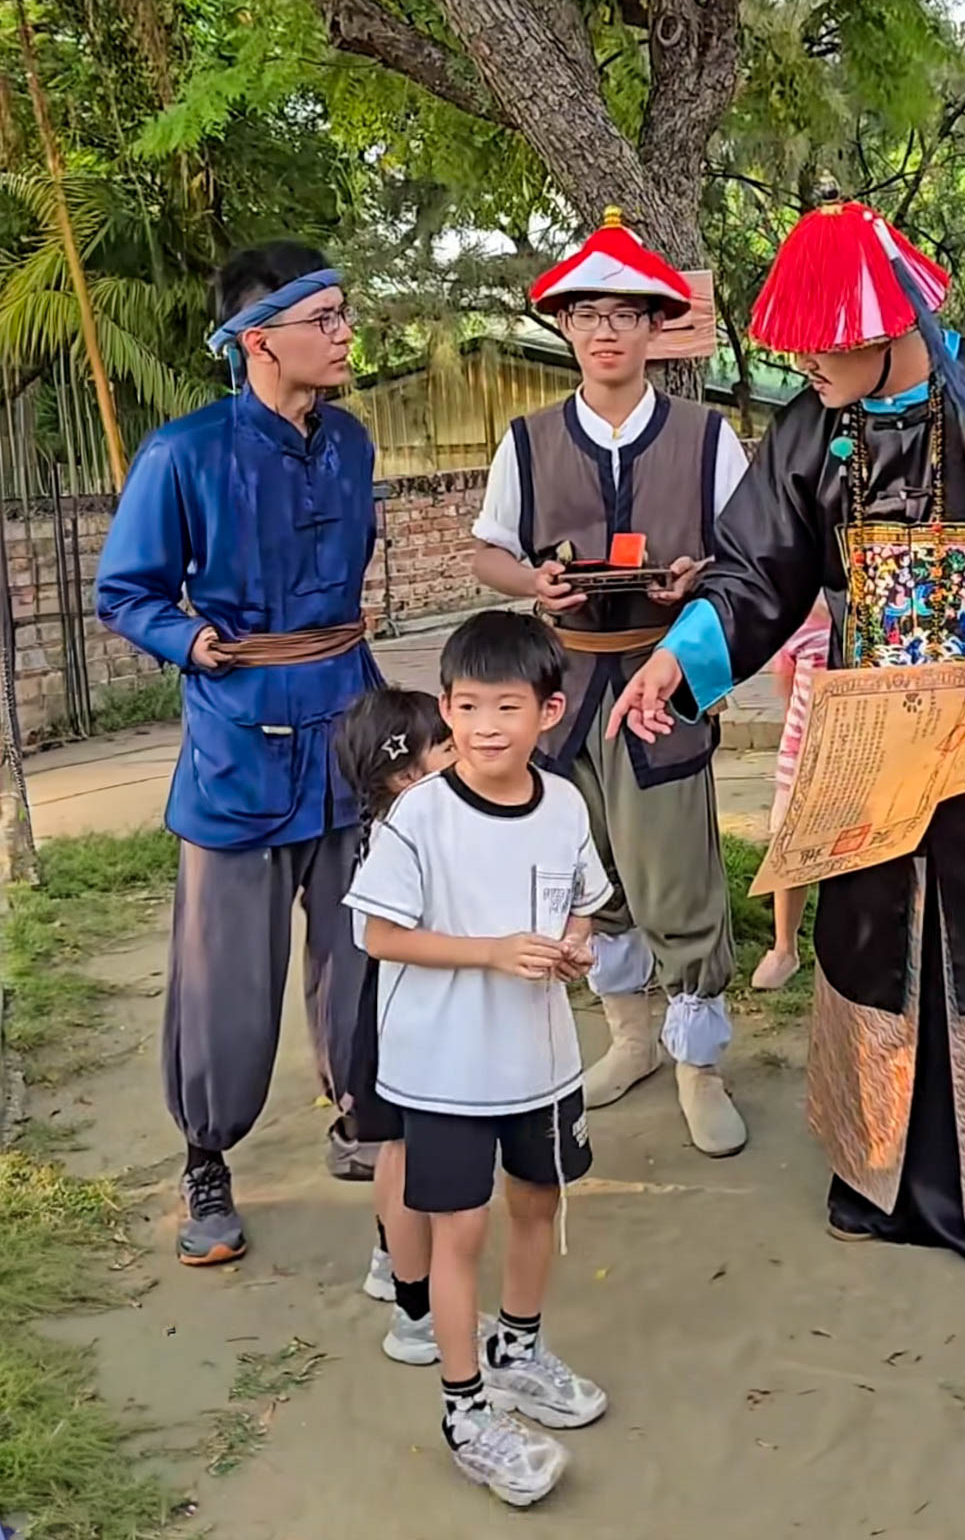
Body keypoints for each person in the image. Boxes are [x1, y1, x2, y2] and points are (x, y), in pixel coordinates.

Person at [609, 191, 965, 1281]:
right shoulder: (809, 430)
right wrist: (679, 654)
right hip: (872, 743)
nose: (804, 363)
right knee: (870, 938)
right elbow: (755, 569)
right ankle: (879, 1170)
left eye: (823, 346)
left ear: (884, 328)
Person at [96, 242, 379, 1267]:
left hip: (347, 729)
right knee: (226, 973)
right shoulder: (182, 453)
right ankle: (207, 1154)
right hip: (236, 743)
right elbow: (125, 590)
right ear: (260, 340)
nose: (346, 333)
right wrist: (192, 641)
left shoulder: (352, 444)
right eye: (327, 318)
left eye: (347, 314)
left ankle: (362, 1116)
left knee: (363, 947)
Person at [471, 208, 750, 1157]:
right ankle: (630, 1036)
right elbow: (489, 551)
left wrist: (695, 579)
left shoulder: (708, 438)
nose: (604, 330)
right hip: (564, 686)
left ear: (655, 328)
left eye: (624, 314)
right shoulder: (528, 439)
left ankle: (698, 1064)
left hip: (660, 681)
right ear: (565, 327)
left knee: (676, 874)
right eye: (586, 313)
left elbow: (747, 558)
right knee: (589, 873)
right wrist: (533, 583)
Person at [344, 611, 610, 1507]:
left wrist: (574, 942)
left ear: (551, 711)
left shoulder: (565, 803)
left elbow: (583, 903)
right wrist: (491, 951)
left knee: (538, 1202)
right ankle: (465, 1407)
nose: (486, 726)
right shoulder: (420, 816)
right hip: (445, 1066)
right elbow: (378, 933)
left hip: (540, 1060)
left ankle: (521, 1350)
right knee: (461, 1228)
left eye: (508, 706)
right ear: (447, 712)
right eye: (466, 706)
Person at [334, 687, 456, 1312]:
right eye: (448, 744)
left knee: (398, 1148)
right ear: (408, 774)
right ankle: (415, 1305)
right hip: (406, 1014)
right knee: (408, 1152)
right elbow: (377, 937)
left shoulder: (400, 821)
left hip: (397, 1006)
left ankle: (389, 1260)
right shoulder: (406, 837)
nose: (464, 750)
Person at [752, 597, 831, 990]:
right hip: (802, 755)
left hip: (859, 755)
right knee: (788, 844)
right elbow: (786, 688)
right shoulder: (803, 623)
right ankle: (784, 945)